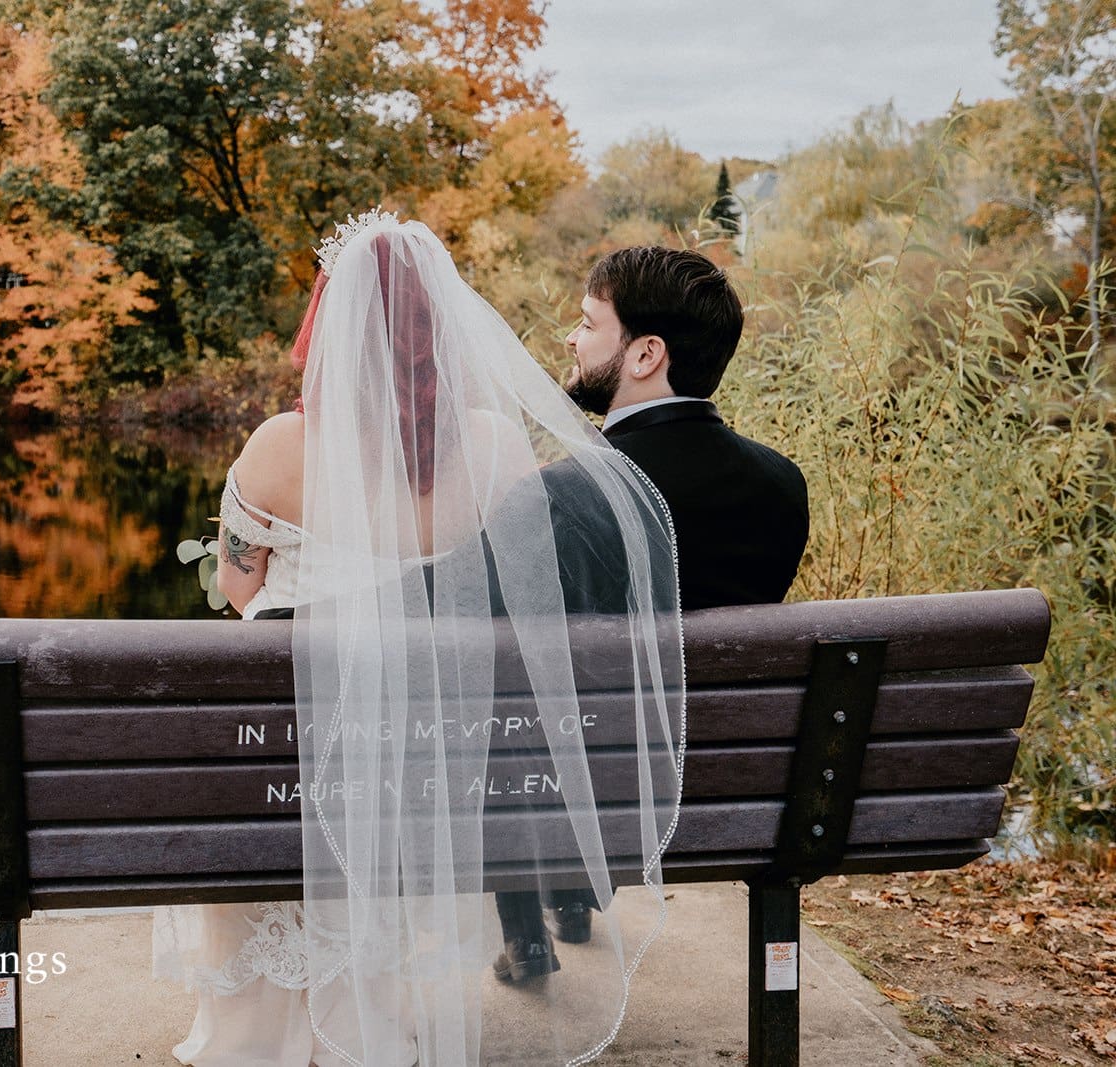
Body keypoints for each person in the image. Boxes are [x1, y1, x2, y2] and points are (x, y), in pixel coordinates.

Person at [153, 211, 684, 1066]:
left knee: (264, 739)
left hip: (270, 772)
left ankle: (259, 1034)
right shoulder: (497, 446)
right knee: (387, 742)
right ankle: (373, 1017)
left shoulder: (279, 446)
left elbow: (235, 585)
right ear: (442, 329)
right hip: (419, 776)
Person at [492, 245, 809, 982]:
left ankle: (530, 926)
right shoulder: (781, 485)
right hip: (737, 803)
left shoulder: (564, 498)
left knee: (509, 703)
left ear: (645, 353)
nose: (571, 338)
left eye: (587, 322)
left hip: (576, 804)